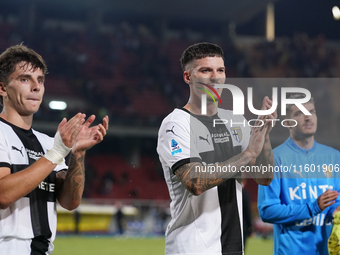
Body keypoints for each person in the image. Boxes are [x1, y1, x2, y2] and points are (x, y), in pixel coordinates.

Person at [156, 42, 276, 255]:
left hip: (232, 246)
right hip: (192, 247)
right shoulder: (175, 124)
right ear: (188, 77)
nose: (215, 77)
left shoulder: (235, 120)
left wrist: (264, 135)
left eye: (220, 70)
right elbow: (194, 181)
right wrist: (247, 154)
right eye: (205, 70)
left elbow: (264, 178)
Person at [0, 44, 109, 254]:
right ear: (3, 88)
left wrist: (77, 153)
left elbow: (70, 202)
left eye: (40, 80)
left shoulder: (48, 143)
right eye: (25, 79)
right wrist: (57, 153)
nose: (36, 87)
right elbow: (3, 195)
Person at [258, 94, 340, 255]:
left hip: (326, 250)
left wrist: (336, 210)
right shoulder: (273, 159)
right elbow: (266, 211)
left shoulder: (333, 156)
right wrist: (313, 208)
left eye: (312, 111)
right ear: (287, 122)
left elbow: (336, 202)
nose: (308, 117)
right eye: (299, 113)